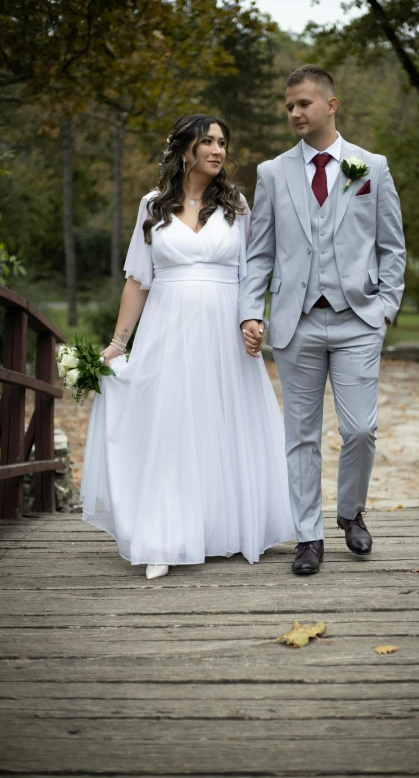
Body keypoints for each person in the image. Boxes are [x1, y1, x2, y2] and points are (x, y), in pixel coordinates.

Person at [81, 114, 295, 579]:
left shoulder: (236, 204)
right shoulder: (152, 205)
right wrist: (119, 343)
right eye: (208, 142)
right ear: (185, 151)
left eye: (223, 141)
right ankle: (162, 537)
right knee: (171, 426)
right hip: (167, 330)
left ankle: (230, 527)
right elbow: (138, 281)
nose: (218, 150)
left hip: (223, 331)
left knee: (222, 423)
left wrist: (253, 318)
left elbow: (252, 272)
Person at [240, 65, 406, 575]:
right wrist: (251, 310)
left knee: (360, 430)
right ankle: (308, 537)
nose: (294, 113)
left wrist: (385, 309)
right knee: (301, 435)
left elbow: (392, 247)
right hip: (296, 323)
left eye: (304, 104)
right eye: (289, 105)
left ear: (331, 105)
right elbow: (260, 253)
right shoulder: (272, 173)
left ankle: (350, 511)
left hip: (358, 319)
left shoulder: (370, 167)